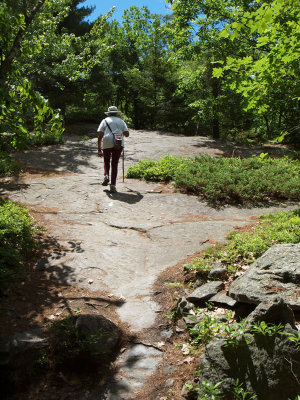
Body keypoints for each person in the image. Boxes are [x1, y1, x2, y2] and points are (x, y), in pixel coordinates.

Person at [97, 106, 129, 193]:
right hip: (118, 142)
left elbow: (100, 134)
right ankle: (113, 185)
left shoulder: (104, 121)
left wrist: (99, 149)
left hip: (107, 141)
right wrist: (120, 132)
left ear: (108, 113)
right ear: (116, 113)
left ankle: (106, 175)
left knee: (106, 160)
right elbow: (126, 134)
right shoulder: (121, 121)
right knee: (114, 163)